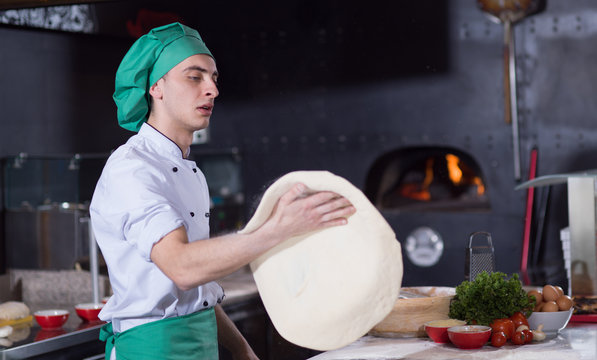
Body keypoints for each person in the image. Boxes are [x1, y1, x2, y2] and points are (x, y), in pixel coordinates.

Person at [89, 22, 355, 360]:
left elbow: (198, 287)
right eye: (195, 76)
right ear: (156, 86)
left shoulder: (191, 172)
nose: (212, 89)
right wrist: (277, 229)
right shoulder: (132, 169)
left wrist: (242, 351)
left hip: (201, 345)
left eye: (214, 79)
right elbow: (182, 268)